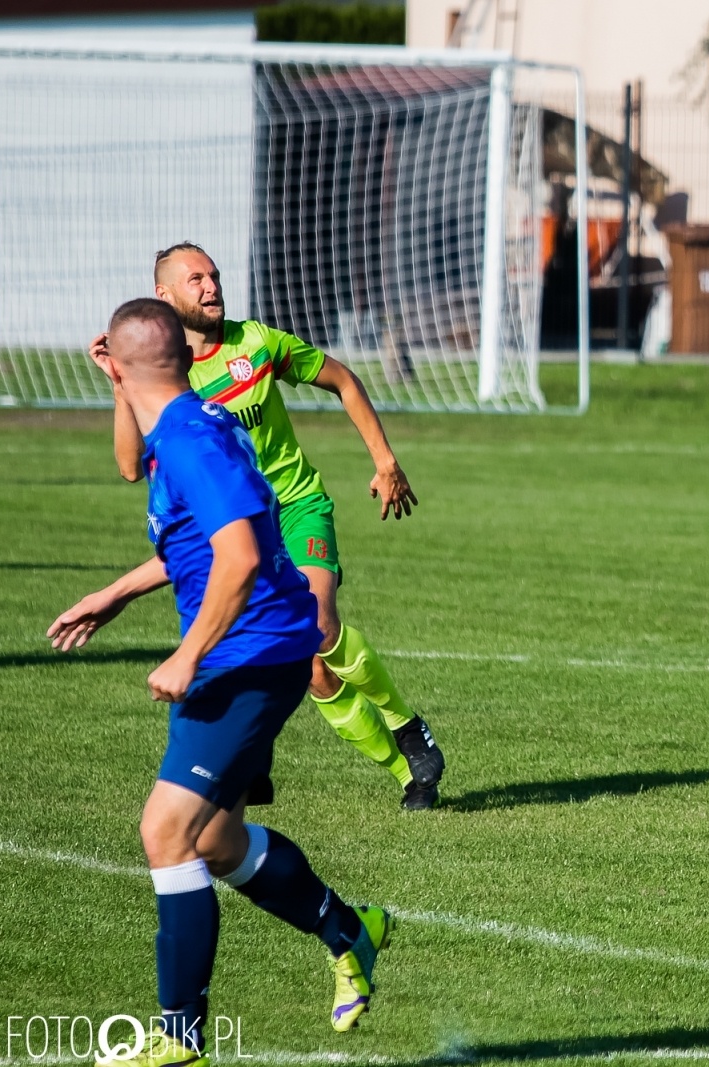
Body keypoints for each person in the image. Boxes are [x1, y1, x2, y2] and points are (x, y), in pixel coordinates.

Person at [51, 300, 391, 1067]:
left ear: (121, 364)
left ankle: (179, 1036)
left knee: (165, 831)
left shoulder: (191, 438)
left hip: (249, 655)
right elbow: (199, 533)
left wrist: (186, 654)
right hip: (251, 649)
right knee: (213, 837)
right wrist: (117, 592)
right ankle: (349, 930)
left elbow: (240, 553)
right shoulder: (188, 423)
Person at [90, 243, 446, 809]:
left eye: (213, 275)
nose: (211, 286)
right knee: (313, 671)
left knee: (320, 626)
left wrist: (385, 461)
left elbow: (343, 380)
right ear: (165, 294)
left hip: (297, 506)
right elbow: (131, 467)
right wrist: (119, 383)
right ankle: (408, 774)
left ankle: (406, 725)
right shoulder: (161, 373)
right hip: (237, 525)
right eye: (195, 279)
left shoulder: (256, 343)